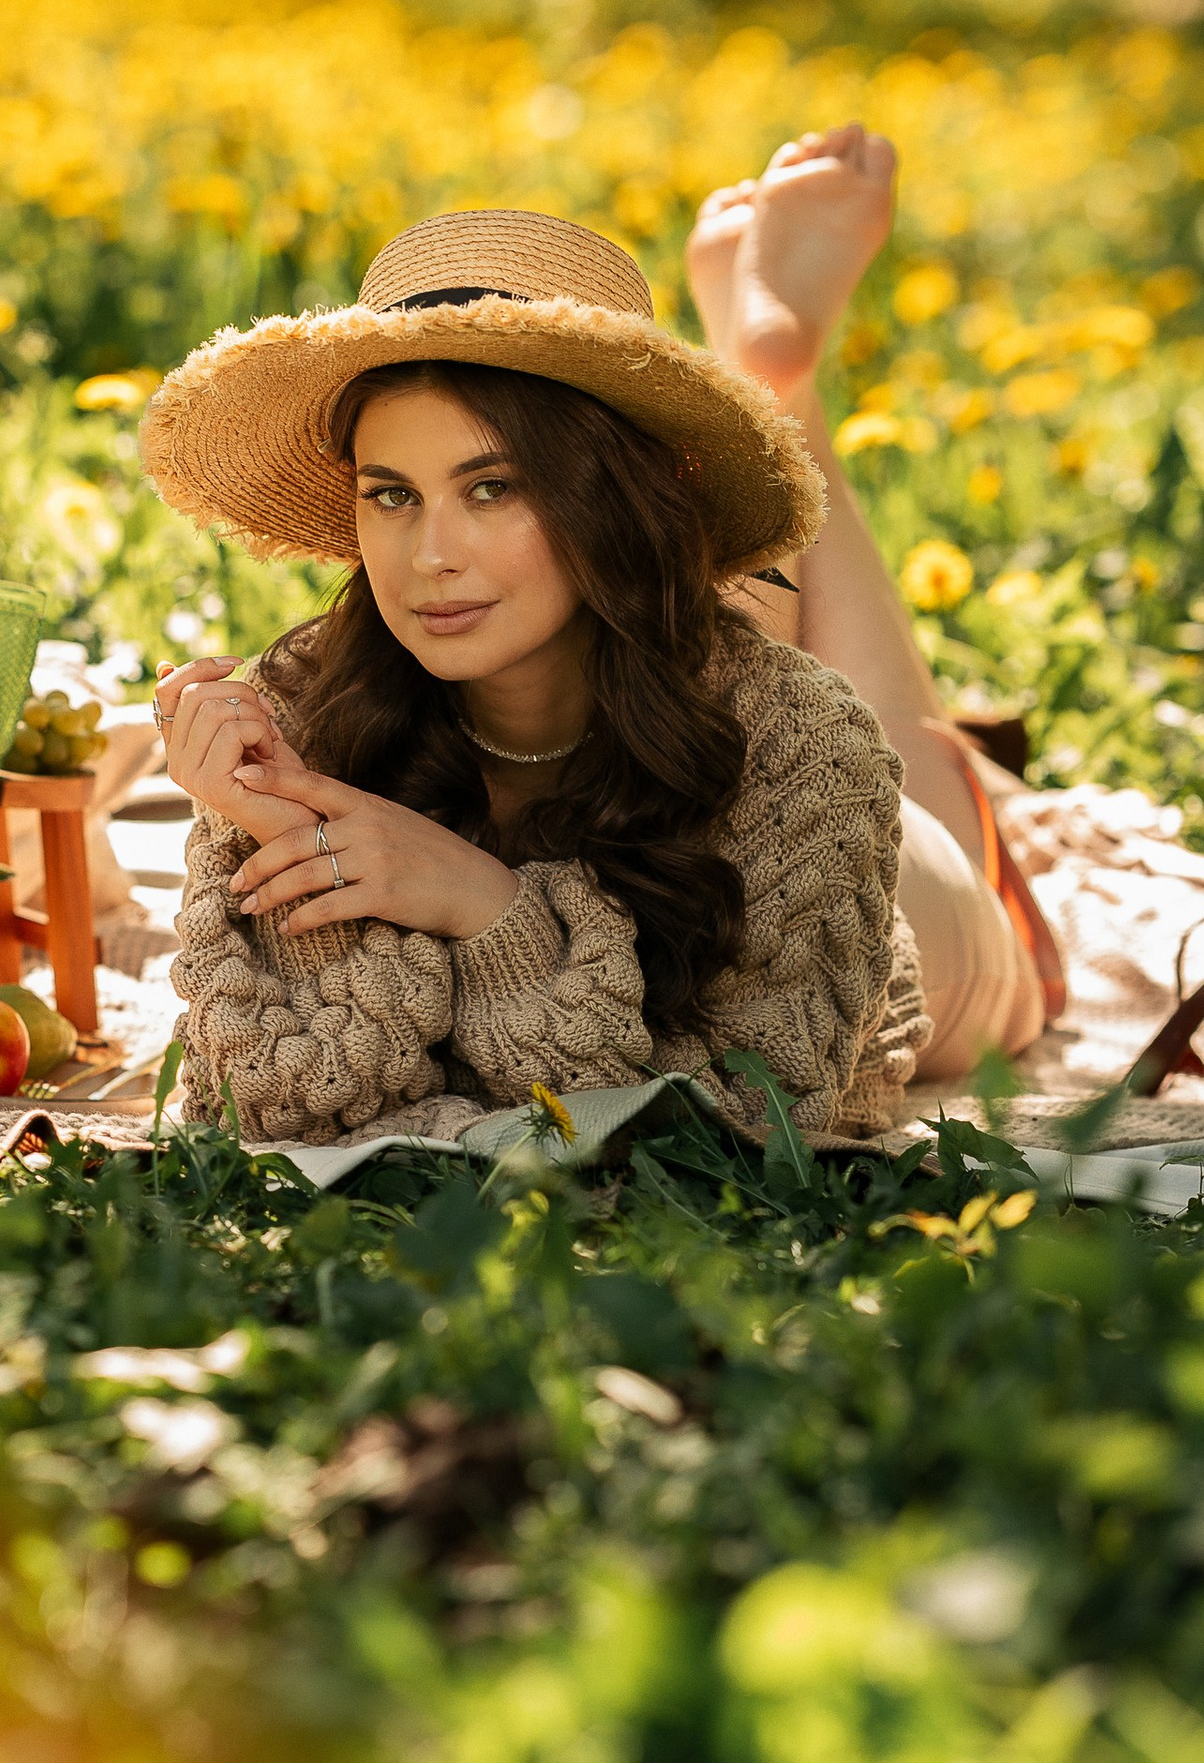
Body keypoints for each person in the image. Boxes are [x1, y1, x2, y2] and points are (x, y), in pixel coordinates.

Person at [139, 208, 933, 1150]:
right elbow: (267, 1110)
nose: (431, 556)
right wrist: (301, 847)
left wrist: (484, 904)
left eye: (493, 488)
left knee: (925, 768)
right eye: (392, 494)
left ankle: (783, 376)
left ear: (611, 496)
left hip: (910, 937)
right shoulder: (297, 713)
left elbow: (739, 1133)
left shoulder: (803, 743)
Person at [687, 124, 1064, 1066]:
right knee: (1001, 935)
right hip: (853, 927)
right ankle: (769, 406)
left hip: (820, 921)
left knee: (856, 766)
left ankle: (771, 400)